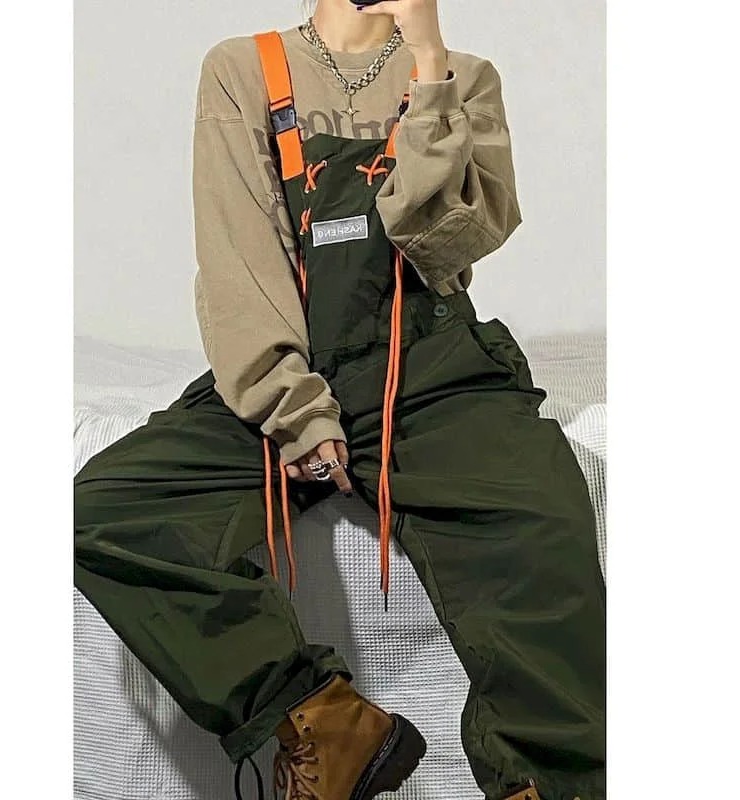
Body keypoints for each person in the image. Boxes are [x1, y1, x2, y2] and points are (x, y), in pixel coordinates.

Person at [73, 1, 606, 798]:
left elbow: (450, 242)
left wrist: (430, 72)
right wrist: (291, 405)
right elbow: (239, 253)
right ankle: (325, 721)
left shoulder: (466, 79)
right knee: (108, 510)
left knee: (546, 523)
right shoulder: (242, 68)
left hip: (434, 371)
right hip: (287, 362)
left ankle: (546, 786)